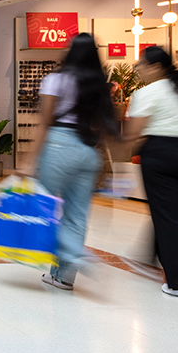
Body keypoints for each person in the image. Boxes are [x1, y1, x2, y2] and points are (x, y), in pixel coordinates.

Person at [20, 33, 117, 292]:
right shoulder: (99, 84)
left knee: (43, 208)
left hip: (59, 146)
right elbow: (104, 126)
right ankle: (62, 276)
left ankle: (75, 252)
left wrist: (29, 161)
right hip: (88, 150)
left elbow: (45, 121)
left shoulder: (56, 80)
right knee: (76, 215)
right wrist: (106, 167)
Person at [125, 45, 178, 301]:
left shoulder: (147, 93)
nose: (138, 68)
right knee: (170, 213)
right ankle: (152, 256)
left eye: (142, 63)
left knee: (168, 217)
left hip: (161, 156)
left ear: (156, 67)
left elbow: (134, 132)